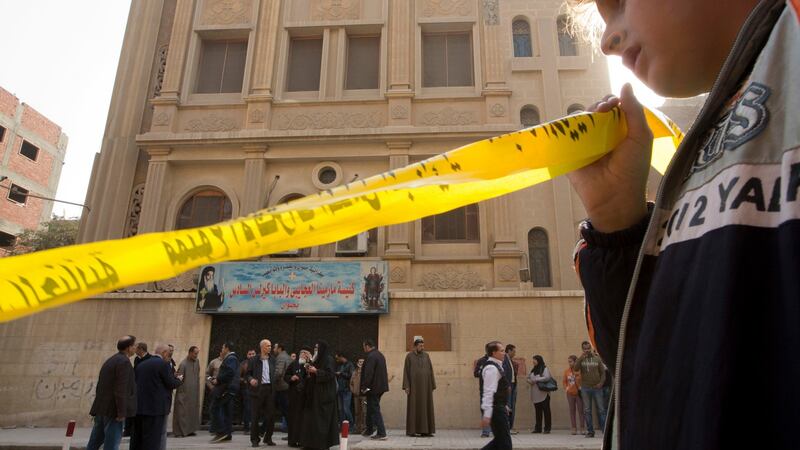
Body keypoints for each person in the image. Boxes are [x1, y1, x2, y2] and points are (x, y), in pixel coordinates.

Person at [568, 0, 799, 448]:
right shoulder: (714, 135)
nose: (607, 39)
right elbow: (653, 368)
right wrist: (616, 222)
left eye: (619, 4)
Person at [87, 335, 137, 450]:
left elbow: (100, 386)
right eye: (134, 345)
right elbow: (121, 389)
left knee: (94, 442)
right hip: (113, 411)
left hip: (102, 409)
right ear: (129, 348)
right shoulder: (124, 362)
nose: (135, 348)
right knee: (112, 443)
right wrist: (121, 412)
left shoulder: (111, 360)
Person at [130, 344, 183, 450]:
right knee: (152, 439)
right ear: (163, 353)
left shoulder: (142, 364)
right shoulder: (163, 364)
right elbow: (171, 383)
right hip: (155, 409)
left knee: (138, 438)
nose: (169, 357)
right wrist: (179, 380)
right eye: (168, 354)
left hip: (139, 408)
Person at [300, 340, 340, 449]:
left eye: (317, 348)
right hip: (314, 396)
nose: (315, 350)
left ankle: (321, 445)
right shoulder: (317, 359)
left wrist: (316, 371)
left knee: (321, 423)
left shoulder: (328, 360)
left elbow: (330, 374)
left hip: (324, 397)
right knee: (311, 421)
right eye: (315, 348)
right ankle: (310, 444)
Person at [480, 341, 511, 450]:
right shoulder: (491, 369)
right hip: (496, 410)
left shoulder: (496, 366)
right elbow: (488, 392)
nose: (504, 353)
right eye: (502, 351)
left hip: (499, 407)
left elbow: (499, 390)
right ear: (494, 353)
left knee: (500, 441)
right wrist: (487, 415)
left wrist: (504, 404)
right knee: (505, 444)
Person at [245, 339, 276, 447]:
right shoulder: (254, 360)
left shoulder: (272, 359)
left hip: (269, 390)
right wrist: (251, 380)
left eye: (270, 346)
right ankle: (254, 439)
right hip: (257, 390)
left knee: (271, 416)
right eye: (268, 346)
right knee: (255, 416)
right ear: (262, 347)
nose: (270, 348)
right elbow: (247, 374)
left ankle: (268, 438)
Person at [402, 338, 436, 437]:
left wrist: (432, 384)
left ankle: (426, 431)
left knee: (426, 407)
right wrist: (406, 386)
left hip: (426, 387)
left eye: (423, 345)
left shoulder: (426, 356)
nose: (422, 347)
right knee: (414, 408)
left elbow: (430, 370)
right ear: (415, 346)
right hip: (414, 388)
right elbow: (406, 372)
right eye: (420, 346)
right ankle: (412, 431)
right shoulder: (409, 356)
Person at [573, 341, 606, 438]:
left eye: (588, 348)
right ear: (582, 349)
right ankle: (590, 431)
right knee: (587, 410)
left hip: (597, 388)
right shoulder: (581, 359)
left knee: (601, 410)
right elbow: (575, 368)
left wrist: (601, 383)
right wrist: (580, 358)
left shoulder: (597, 359)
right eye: (585, 348)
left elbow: (603, 373)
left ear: (590, 348)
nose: (587, 350)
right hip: (585, 388)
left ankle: (605, 432)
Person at [210, 341, 239, 443]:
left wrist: (218, 380)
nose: (222, 350)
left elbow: (230, 372)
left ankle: (221, 432)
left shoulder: (231, 358)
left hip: (226, 389)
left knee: (215, 407)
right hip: (229, 388)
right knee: (227, 411)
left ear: (227, 348)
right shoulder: (232, 358)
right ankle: (227, 434)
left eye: (223, 348)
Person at [360, 339, 388, 440]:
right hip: (380, 387)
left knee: (374, 408)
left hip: (373, 388)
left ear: (367, 346)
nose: (363, 349)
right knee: (371, 408)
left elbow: (369, 373)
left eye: (364, 347)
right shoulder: (379, 354)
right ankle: (370, 429)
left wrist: (364, 387)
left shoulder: (371, 356)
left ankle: (382, 432)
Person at [284, 346, 311, 448]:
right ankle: (292, 440)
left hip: (305, 397)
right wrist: (291, 377)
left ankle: (302, 440)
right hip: (294, 396)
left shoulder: (309, 365)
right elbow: (285, 376)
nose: (303, 355)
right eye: (302, 353)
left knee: (303, 419)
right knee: (294, 418)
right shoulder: (293, 364)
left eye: (305, 354)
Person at [173, 346, 201, 438]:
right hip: (184, 393)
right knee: (181, 413)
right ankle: (179, 432)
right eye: (195, 353)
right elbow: (179, 379)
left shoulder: (197, 362)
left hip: (193, 393)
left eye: (197, 353)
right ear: (190, 352)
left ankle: (190, 430)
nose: (196, 355)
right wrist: (181, 393)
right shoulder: (183, 364)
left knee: (191, 411)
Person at [526, 355, 552, 434]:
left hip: (544, 394)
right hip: (535, 394)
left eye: (535, 360)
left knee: (546, 411)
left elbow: (547, 377)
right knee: (538, 412)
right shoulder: (533, 370)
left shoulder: (544, 368)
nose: (533, 361)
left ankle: (547, 428)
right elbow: (528, 377)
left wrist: (536, 379)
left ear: (539, 360)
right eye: (533, 360)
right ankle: (538, 428)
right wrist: (529, 380)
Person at [506, 344, 526, 435]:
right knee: (508, 407)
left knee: (512, 407)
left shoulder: (511, 361)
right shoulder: (504, 360)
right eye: (514, 351)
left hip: (513, 385)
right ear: (509, 351)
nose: (515, 353)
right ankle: (507, 427)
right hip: (508, 387)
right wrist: (507, 385)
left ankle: (510, 426)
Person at [563, 355, 585, 436]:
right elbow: (564, 381)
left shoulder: (580, 371)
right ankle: (574, 428)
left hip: (579, 394)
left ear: (575, 362)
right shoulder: (566, 371)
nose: (569, 363)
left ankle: (582, 428)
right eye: (568, 361)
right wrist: (566, 388)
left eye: (571, 361)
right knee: (572, 411)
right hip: (570, 394)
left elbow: (583, 381)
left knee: (581, 411)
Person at [272, 343, 292, 433]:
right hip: (286, 387)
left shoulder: (280, 357)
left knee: (285, 412)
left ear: (279, 348)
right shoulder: (288, 357)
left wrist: (271, 380)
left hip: (281, 387)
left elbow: (279, 373)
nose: (273, 349)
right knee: (285, 411)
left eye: (274, 348)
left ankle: (291, 432)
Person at [473, 354, 492, 438]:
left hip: (497, 391)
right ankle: (486, 431)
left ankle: (497, 431)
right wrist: (483, 371)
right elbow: (476, 373)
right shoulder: (482, 361)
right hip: (484, 389)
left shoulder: (499, 361)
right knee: (485, 409)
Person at [334, 350, 355, 426]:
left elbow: (352, 376)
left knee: (346, 408)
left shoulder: (350, 365)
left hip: (347, 389)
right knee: (341, 409)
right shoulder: (340, 365)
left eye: (337, 358)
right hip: (340, 389)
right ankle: (342, 426)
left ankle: (352, 425)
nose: (337, 360)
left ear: (341, 357)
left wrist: (341, 373)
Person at [205, 351, 223, 435]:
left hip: (225, 389)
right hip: (215, 388)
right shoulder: (214, 362)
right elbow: (207, 375)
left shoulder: (229, 362)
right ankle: (213, 428)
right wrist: (210, 386)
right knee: (213, 408)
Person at [240, 349, 256, 433]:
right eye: (250, 354)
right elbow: (238, 376)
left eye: (253, 354)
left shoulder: (258, 363)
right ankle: (246, 427)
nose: (251, 355)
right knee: (247, 408)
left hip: (257, 389)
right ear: (247, 355)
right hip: (246, 388)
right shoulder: (243, 364)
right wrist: (245, 380)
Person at [350, 357, 366, 434]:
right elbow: (351, 383)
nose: (361, 363)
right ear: (357, 363)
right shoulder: (354, 372)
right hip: (356, 395)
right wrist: (353, 391)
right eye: (360, 362)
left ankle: (364, 428)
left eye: (362, 362)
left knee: (364, 411)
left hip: (364, 396)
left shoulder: (366, 372)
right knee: (357, 412)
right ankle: (357, 428)